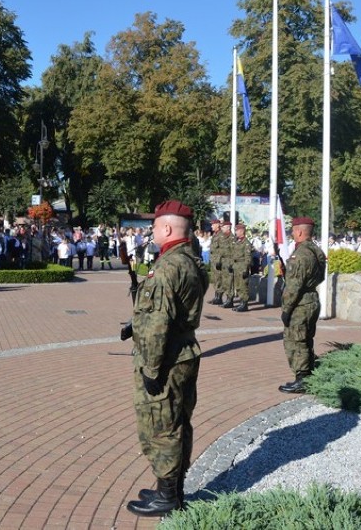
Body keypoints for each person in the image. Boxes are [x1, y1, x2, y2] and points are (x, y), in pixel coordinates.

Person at [123, 200, 207, 517]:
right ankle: (169, 487)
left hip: (167, 358)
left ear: (167, 228)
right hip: (185, 351)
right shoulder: (191, 261)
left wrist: (151, 369)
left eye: (156, 225)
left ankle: (169, 496)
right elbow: (173, 311)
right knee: (177, 421)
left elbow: (158, 323)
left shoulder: (167, 267)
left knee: (160, 428)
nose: (153, 230)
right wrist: (136, 324)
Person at [279, 217, 326, 394]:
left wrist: (286, 309)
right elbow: (319, 276)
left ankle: (302, 378)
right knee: (306, 338)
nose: (292, 233)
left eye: (293, 230)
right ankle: (308, 372)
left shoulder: (301, 254)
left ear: (299, 231)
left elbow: (293, 286)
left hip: (300, 303)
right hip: (312, 298)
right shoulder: (316, 251)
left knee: (296, 341)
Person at [229, 223, 254, 312]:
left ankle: (244, 304)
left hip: (242, 266)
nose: (235, 232)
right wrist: (232, 265)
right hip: (236, 267)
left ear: (242, 231)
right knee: (238, 286)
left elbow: (248, 257)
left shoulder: (246, 243)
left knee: (243, 286)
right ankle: (241, 303)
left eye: (237, 230)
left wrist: (246, 269)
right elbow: (233, 254)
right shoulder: (237, 241)